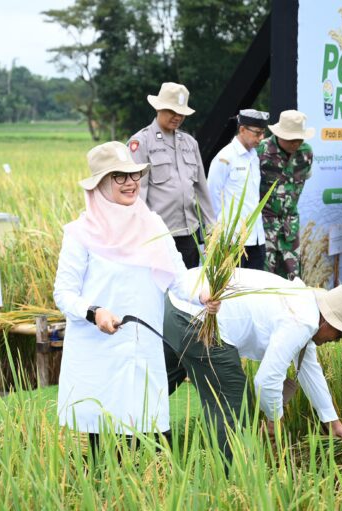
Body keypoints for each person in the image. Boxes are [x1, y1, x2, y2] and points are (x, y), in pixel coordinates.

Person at [53, 141, 215, 453]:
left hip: (144, 346)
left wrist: (203, 294)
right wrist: (94, 312)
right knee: (103, 436)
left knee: (149, 433)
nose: (130, 183)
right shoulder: (79, 233)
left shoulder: (153, 224)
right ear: (100, 184)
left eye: (134, 175)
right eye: (119, 176)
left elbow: (179, 277)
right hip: (98, 346)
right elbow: (64, 293)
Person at [164, 268, 342, 462]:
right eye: (341, 334)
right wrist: (274, 421)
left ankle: (136, 440)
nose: (337, 340)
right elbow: (266, 381)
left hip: (176, 304)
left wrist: (332, 422)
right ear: (328, 323)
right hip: (197, 316)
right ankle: (232, 477)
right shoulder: (302, 320)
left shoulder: (304, 304)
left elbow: (310, 371)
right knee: (234, 399)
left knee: (159, 380)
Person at [128, 82, 216, 268]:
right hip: (158, 235)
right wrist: (138, 233)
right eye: (172, 111)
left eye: (181, 113)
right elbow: (137, 192)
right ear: (159, 108)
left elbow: (201, 189)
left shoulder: (190, 143)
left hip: (189, 234)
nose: (178, 117)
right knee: (160, 293)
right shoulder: (141, 142)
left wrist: (211, 228)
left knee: (188, 291)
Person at [207, 109, 270, 270]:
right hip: (232, 240)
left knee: (255, 289)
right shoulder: (225, 157)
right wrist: (218, 235)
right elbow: (211, 197)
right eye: (257, 133)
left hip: (256, 238)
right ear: (242, 130)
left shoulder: (254, 156)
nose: (261, 138)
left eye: (263, 133)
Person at [257, 110, 315, 280]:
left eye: (299, 139)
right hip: (264, 224)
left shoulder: (306, 153)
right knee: (265, 277)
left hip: (290, 225)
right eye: (291, 139)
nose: (296, 143)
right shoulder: (261, 151)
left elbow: (303, 179)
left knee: (293, 278)